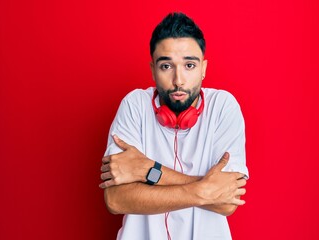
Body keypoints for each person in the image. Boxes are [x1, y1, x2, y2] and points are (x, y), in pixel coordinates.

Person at [99, 12, 249, 240]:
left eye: (189, 65)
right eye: (166, 66)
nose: (179, 80)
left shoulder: (223, 107)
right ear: (152, 70)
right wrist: (204, 189)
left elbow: (228, 203)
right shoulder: (134, 105)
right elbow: (115, 199)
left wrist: (149, 170)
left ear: (203, 68)